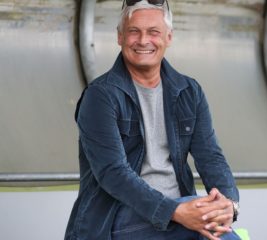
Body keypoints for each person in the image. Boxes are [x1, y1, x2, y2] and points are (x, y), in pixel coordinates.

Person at [65, 0, 240, 239]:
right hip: (117, 218)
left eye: (153, 32)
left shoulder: (189, 91)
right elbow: (113, 173)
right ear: (119, 37)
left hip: (180, 208)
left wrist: (228, 204)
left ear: (169, 37)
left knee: (213, 222)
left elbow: (211, 157)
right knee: (215, 230)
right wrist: (175, 211)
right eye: (134, 31)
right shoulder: (101, 96)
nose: (143, 40)